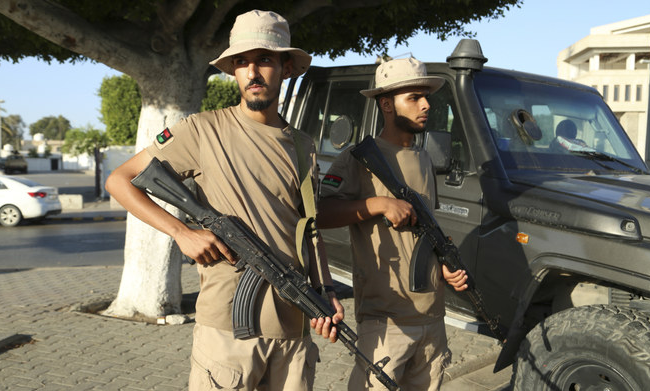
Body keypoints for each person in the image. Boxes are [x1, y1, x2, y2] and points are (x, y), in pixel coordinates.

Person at [105, 10, 343, 391]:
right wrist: (182, 233)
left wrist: (327, 292)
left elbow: (309, 229)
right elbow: (119, 180)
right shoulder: (201, 130)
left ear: (286, 67)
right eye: (242, 62)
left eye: (265, 59)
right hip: (227, 331)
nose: (253, 72)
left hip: (294, 329)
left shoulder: (303, 146)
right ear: (233, 71)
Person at [317, 57, 468, 391]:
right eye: (414, 97)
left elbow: (426, 229)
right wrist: (377, 204)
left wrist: (443, 265)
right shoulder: (358, 158)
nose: (426, 104)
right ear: (386, 104)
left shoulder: (425, 158)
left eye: (426, 96)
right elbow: (319, 214)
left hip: (432, 317)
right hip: (386, 320)